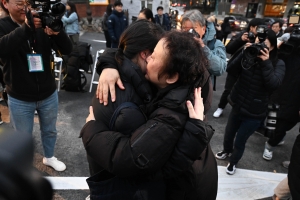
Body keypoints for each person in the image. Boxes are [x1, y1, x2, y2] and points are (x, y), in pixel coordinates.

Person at [81, 29, 217, 199]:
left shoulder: (171, 116)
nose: (148, 57)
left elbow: (129, 159)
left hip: (186, 190)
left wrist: (91, 130)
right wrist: (109, 64)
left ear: (171, 77)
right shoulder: (189, 75)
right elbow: (125, 51)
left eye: (154, 56)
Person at [0, 0, 73, 171]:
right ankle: (24, 166)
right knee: (22, 137)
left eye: (28, 3)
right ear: (5, 3)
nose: (25, 8)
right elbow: (2, 48)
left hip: (48, 92)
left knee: (50, 131)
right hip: (19, 96)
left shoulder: (41, 21)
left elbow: (68, 49)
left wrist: (57, 32)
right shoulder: (3, 25)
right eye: (19, 3)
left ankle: (49, 157)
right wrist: (26, 28)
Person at [215, 30, 285, 175]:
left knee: (240, 140)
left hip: (255, 111)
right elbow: (230, 69)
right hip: (238, 103)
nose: (259, 47)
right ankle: (227, 151)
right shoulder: (249, 55)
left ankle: (233, 162)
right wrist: (244, 52)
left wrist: (265, 62)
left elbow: (273, 85)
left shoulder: (278, 63)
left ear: (272, 47)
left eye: (264, 45)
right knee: (228, 134)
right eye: (258, 43)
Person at [213, 18, 266, 118]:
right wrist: (240, 40)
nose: (259, 31)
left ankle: (237, 110)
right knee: (228, 89)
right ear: (251, 27)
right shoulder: (243, 35)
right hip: (236, 67)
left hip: (250, 70)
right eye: (258, 28)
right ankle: (220, 107)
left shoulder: (263, 38)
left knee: (243, 91)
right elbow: (228, 49)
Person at [262, 34, 300, 161]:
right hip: (278, 94)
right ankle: (272, 141)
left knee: (283, 126)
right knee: (272, 123)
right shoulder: (285, 52)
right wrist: (281, 46)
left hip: (295, 99)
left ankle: (270, 145)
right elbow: (274, 60)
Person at [181, 9, 227, 92]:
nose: (189, 33)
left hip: (202, 93)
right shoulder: (180, 42)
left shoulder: (215, 44)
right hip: (180, 90)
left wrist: (203, 48)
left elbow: (220, 68)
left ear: (203, 29)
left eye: (193, 29)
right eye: (185, 29)